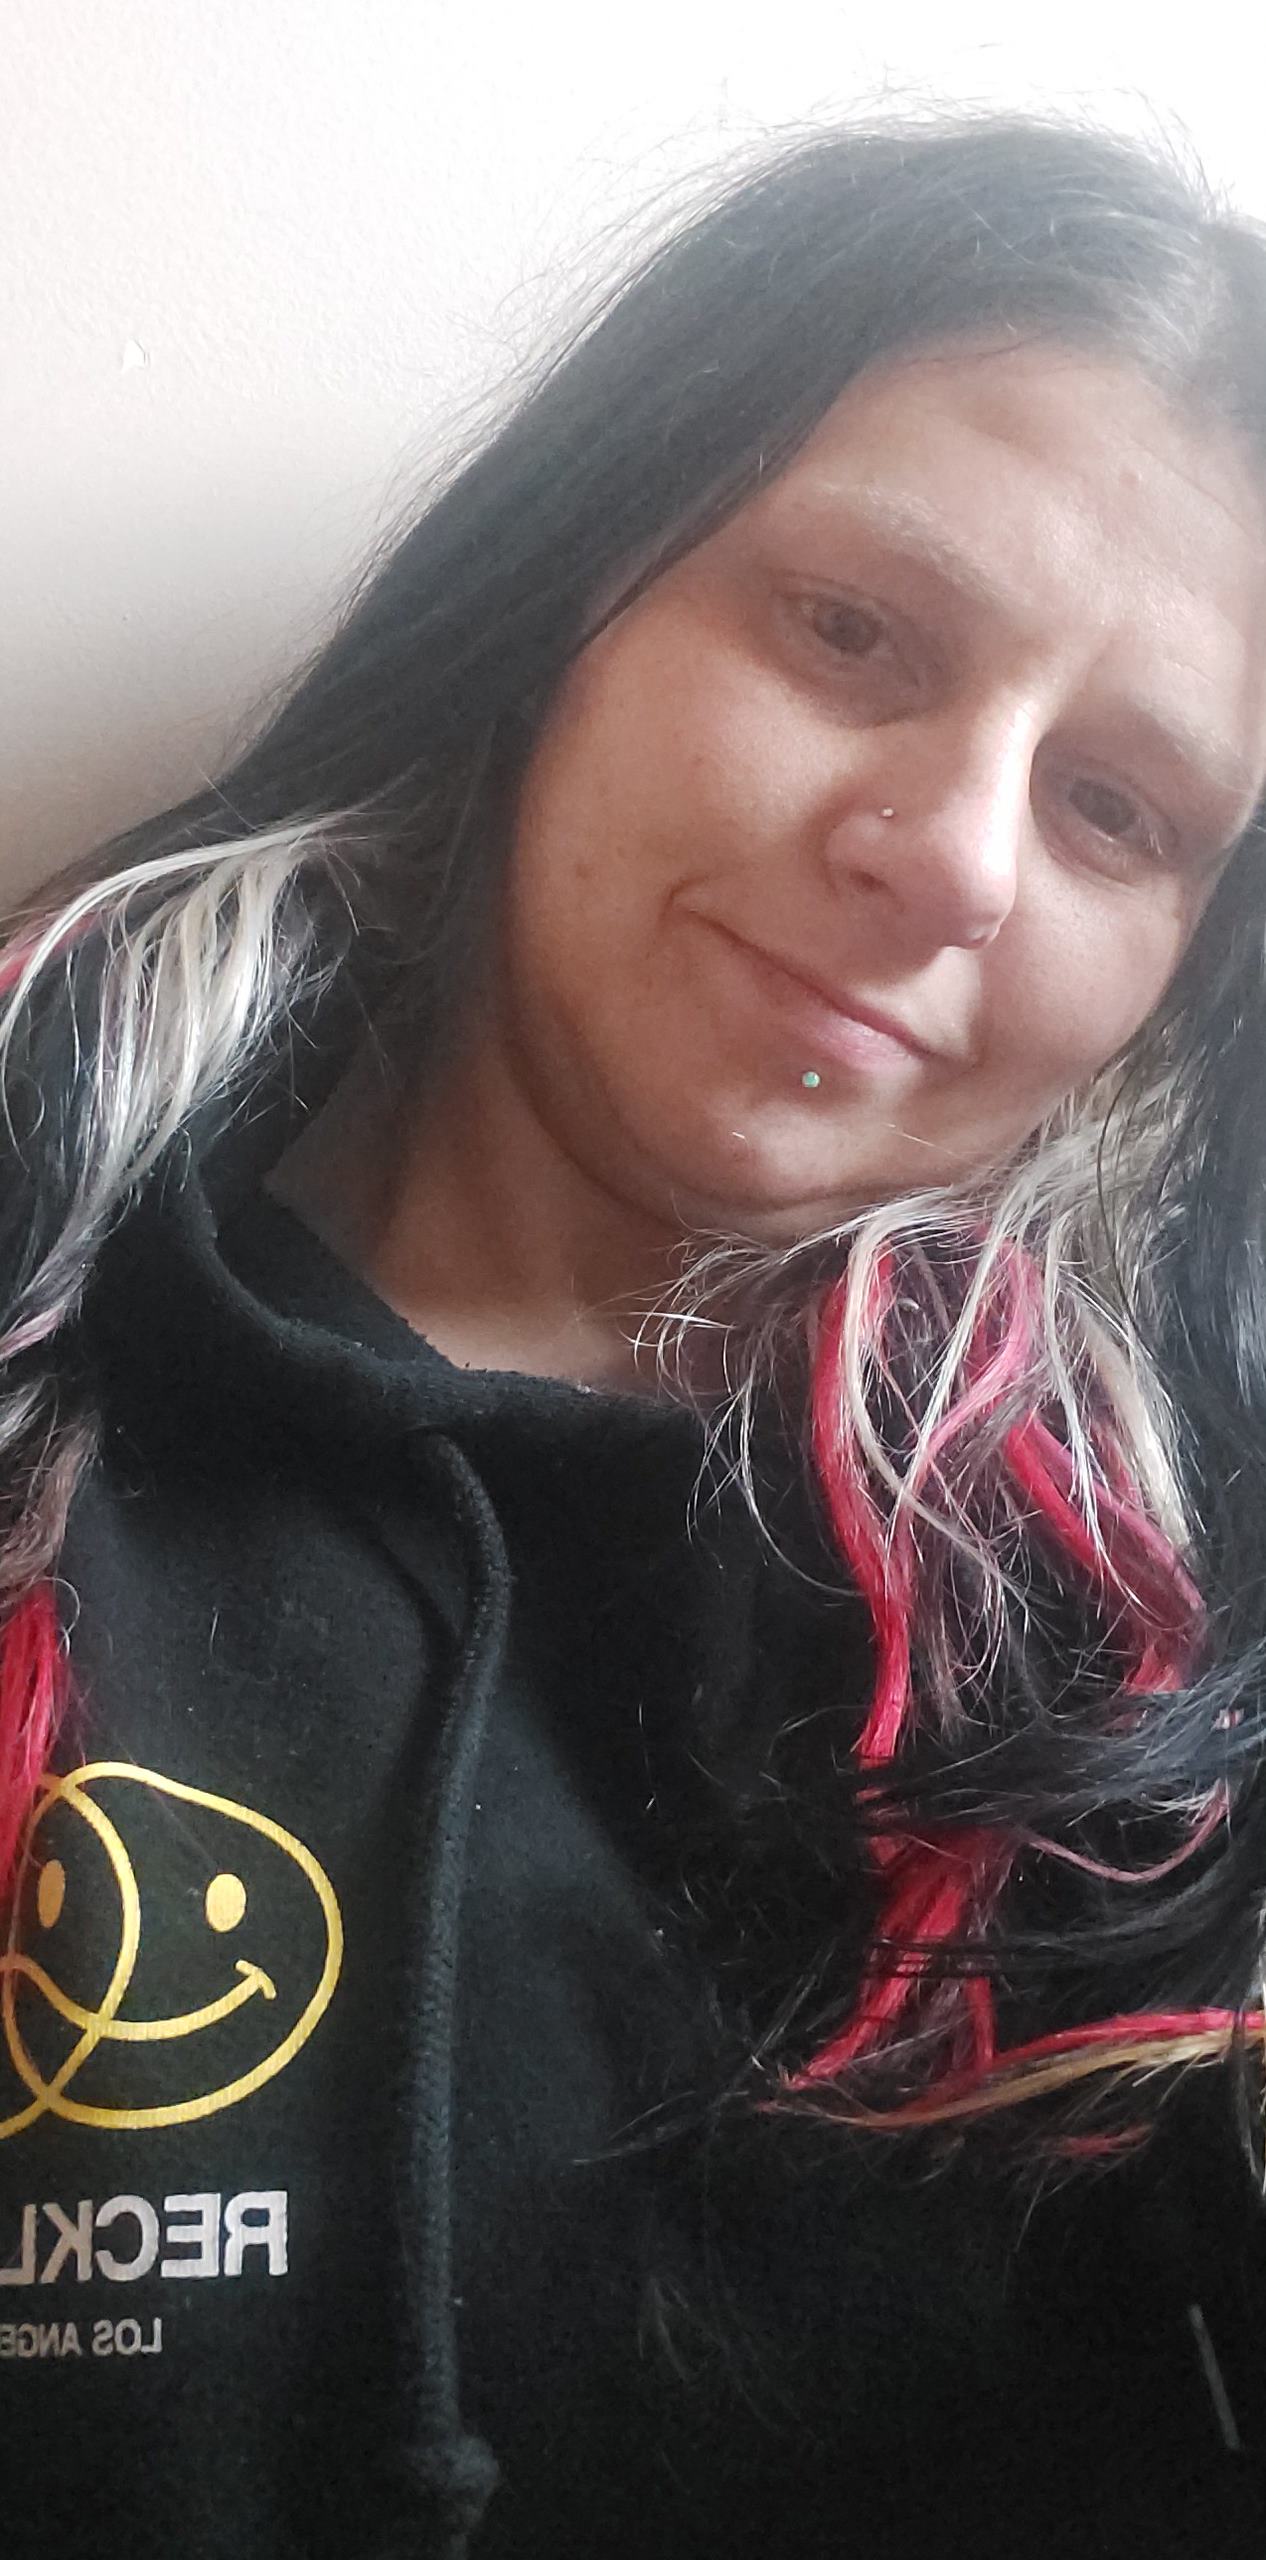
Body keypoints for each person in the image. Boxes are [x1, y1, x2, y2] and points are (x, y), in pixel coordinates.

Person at [0, 104, 1265, 2560]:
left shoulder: (1181, 1687)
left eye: (1118, 808)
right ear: (576, 582)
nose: (956, 850)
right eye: (853, 630)